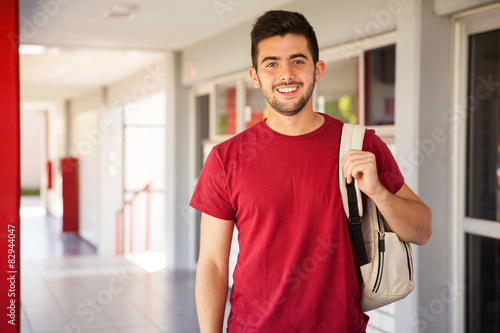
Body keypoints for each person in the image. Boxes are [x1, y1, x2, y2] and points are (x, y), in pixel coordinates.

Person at [190, 10, 432, 332]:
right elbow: (213, 264)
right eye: (272, 63)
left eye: (298, 61)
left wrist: (378, 192)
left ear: (318, 69)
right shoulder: (226, 158)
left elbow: (422, 231)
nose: (286, 74)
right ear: (255, 76)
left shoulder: (361, 146)